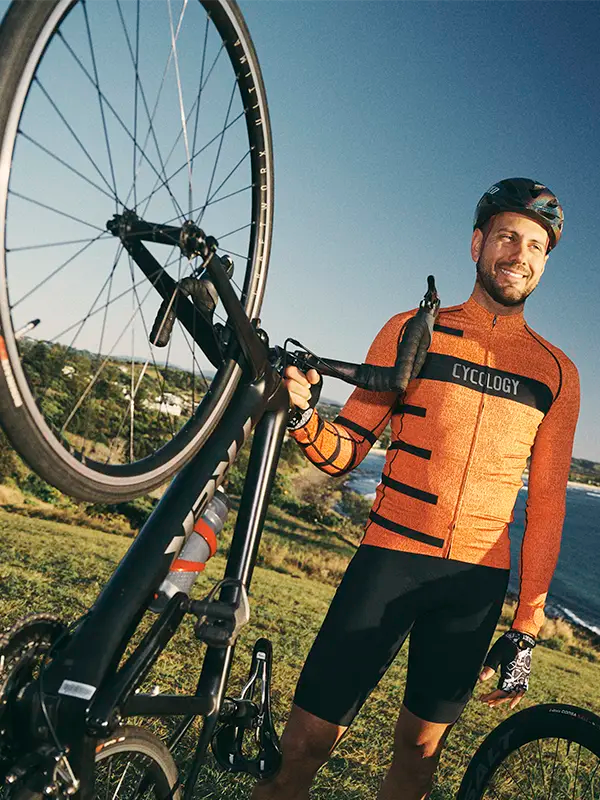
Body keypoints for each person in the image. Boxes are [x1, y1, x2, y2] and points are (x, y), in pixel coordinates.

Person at [252, 178, 580, 800]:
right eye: (508, 236)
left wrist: (528, 625)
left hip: (473, 586)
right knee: (305, 743)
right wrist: (301, 419)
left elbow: (548, 506)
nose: (520, 254)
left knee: (419, 753)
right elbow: (344, 450)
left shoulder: (557, 372)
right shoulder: (412, 329)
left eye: (537, 245)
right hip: (389, 562)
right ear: (478, 243)